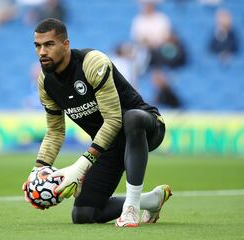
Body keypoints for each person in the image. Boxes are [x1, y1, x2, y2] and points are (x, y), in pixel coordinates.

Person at [22, 18, 172, 227]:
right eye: (37, 46)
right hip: (109, 145)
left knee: (131, 117)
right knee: (84, 214)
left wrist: (81, 166)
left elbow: (113, 120)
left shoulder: (92, 62)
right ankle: (151, 200)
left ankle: (131, 207)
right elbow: (55, 131)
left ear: (65, 45)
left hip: (145, 128)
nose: (42, 52)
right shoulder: (46, 83)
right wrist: (37, 171)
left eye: (49, 44)